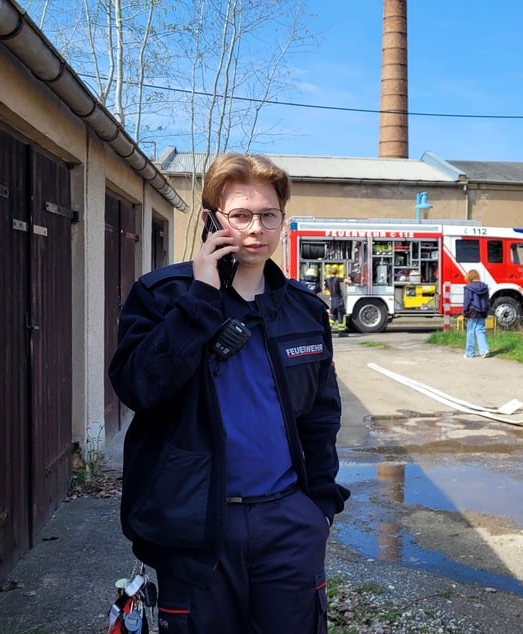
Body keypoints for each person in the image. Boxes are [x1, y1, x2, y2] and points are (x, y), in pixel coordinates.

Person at [108, 153, 349, 632]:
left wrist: (318, 510)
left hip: (287, 523)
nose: (256, 228)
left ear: (283, 218)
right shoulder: (161, 296)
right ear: (212, 220)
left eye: (268, 215)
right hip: (196, 531)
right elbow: (140, 388)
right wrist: (199, 300)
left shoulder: (303, 309)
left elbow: (321, 416)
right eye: (240, 215)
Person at [462, 269, 491, 358]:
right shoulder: (485, 287)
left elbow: (467, 301)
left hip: (472, 311)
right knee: (480, 330)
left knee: (470, 332)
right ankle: (484, 350)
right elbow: (487, 300)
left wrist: (464, 311)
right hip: (482, 311)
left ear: (470, 277)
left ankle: (470, 353)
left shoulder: (469, 288)